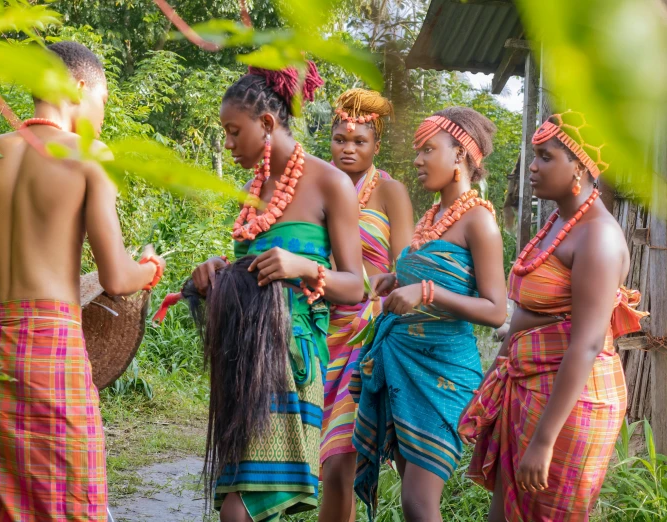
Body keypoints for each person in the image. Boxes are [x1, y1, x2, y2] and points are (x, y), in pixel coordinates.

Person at [0, 41, 165, 521]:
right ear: (77, 87)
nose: (103, 115)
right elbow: (116, 276)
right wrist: (151, 269)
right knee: (70, 500)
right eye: (104, 101)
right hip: (54, 352)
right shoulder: (89, 155)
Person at [191, 63, 364, 522]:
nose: (228, 146)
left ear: (267, 125)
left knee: (240, 509)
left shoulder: (332, 183)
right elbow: (253, 272)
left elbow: (355, 285)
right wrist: (217, 272)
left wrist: (304, 267)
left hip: (293, 363)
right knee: (239, 505)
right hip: (245, 363)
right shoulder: (253, 191)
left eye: (234, 132)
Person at [458, 111, 648, 522]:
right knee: (505, 514)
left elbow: (588, 342)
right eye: (534, 155)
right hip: (530, 388)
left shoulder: (598, 237)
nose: (532, 166)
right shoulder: (559, 222)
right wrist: (495, 374)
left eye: (545, 156)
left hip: (572, 406)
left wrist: (544, 441)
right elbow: (533, 315)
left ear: (578, 166)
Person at [351, 107, 508, 522]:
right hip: (402, 365)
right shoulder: (432, 218)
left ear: (460, 155)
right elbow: (429, 275)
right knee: (412, 503)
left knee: (419, 504)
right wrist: (394, 278)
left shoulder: (480, 221)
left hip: (442, 373)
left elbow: (496, 310)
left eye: (427, 150)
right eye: (417, 151)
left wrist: (427, 291)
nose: (417, 160)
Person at [319, 88, 413, 522]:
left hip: (365, 331)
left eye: (359, 142)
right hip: (319, 327)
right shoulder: (319, 185)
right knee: (323, 459)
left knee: (341, 457)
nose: (349, 148)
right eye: (341, 139)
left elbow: (409, 264)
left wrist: (381, 283)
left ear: (376, 145)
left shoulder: (390, 192)